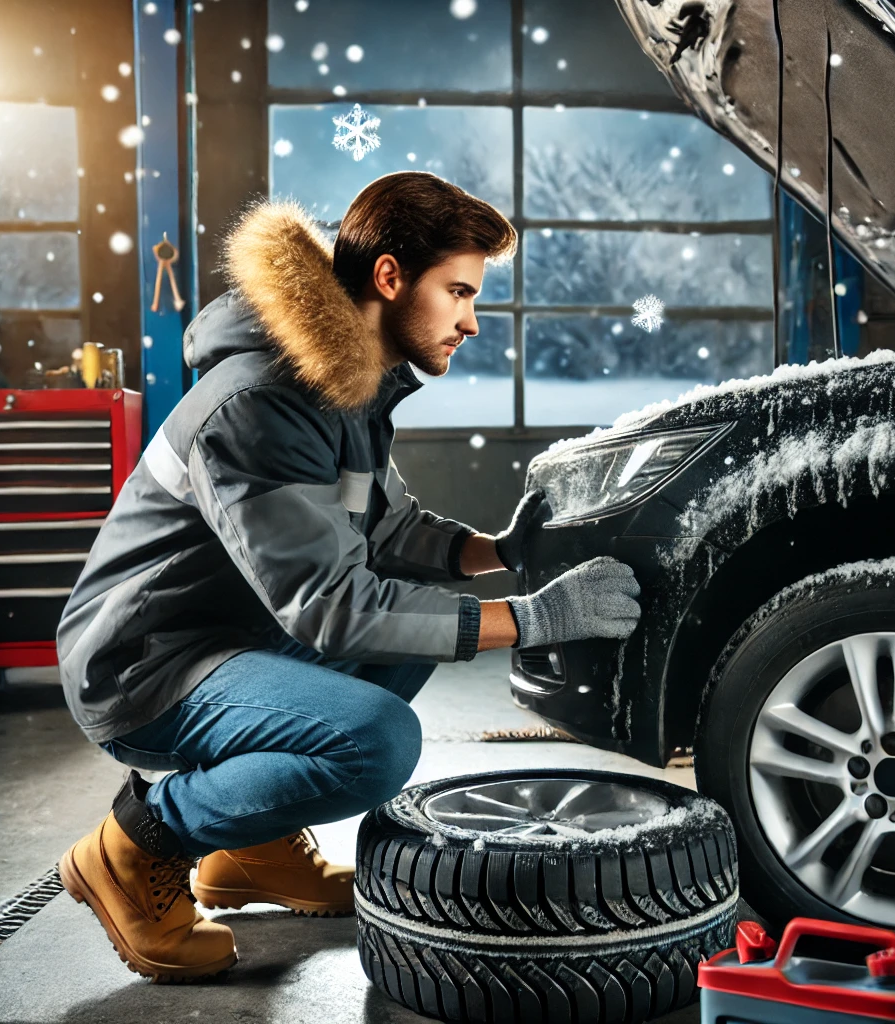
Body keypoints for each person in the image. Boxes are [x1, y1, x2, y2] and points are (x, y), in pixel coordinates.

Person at [55, 172, 642, 982]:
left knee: (408, 645)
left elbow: (386, 528)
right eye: (459, 292)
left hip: (229, 638)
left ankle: (249, 845)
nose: (472, 321)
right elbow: (331, 606)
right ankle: (136, 843)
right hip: (145, 663)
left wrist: (500, 550)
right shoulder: (262, 401)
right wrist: (530, 619)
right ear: (391, 277)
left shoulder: (342, 384)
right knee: (375, 740)